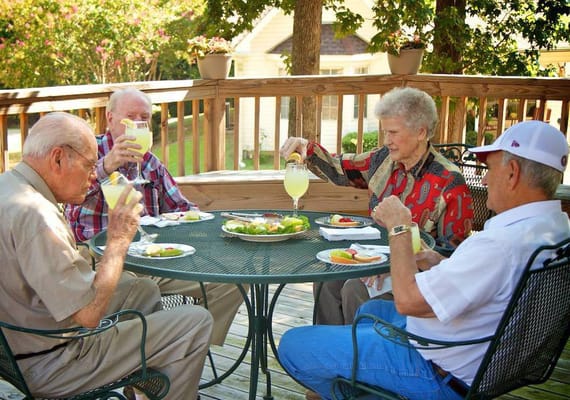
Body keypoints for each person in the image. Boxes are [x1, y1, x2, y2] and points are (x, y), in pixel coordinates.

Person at [278, 120, 570, 400]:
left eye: (489, 168)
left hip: (436, 368)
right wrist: (437, 260)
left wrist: (400, 228)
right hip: (479, 356)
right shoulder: (555, 229)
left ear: (513, 173)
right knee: (370, 309)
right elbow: (488, 280)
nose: (483, 178)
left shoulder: (500, 244)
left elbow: (407, 301)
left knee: (293, 344)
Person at [0, 112, 213, 399]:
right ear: (58, 158)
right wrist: (118, 240)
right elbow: (88, 315)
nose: (93, 176)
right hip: (55, 361)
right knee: (195, 322)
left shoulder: (9, 187)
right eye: (89, 165)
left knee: (141, 289)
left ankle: (143, 390)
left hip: (17, 348)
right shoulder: (38, 216)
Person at [280, 87, 474, 326]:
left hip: (418, 281)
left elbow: (454, 258)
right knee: (327, 279)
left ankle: (363, 359)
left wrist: (394, 263)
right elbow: (342, 168)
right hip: (371, 256)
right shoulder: (383, 160)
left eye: (393, 132)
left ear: (421, 132)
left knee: (354, 289)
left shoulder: (449, 182)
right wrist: (306, 148)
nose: (386, 141)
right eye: (385, 132)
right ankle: (332, 355)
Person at [64, 88, 243, 346]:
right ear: (110, 118)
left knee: (230, 281)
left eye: (144, 118)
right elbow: (70, 201)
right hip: (100, 262)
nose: (138, 124)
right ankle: (144, 363)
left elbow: (183, 208)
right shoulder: (87, 155)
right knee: (137, 290)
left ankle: (192, 351)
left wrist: (208, 220)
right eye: (130, 117)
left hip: (151, 258)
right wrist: (107, 166)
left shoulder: (150, 163)